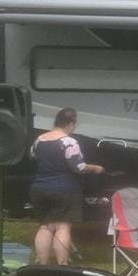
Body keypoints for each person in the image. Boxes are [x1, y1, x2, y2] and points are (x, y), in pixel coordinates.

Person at [29, 107, 101, 266]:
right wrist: (95, 168)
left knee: (45, 227)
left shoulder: (39, 140)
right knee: (62, 227)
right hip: (64, 189)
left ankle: (43, 265)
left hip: (40, 188)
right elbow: (78, 167)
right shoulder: (68, 142)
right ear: (71, 124)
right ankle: (62, 265)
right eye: (75, 124)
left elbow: (32, 156)